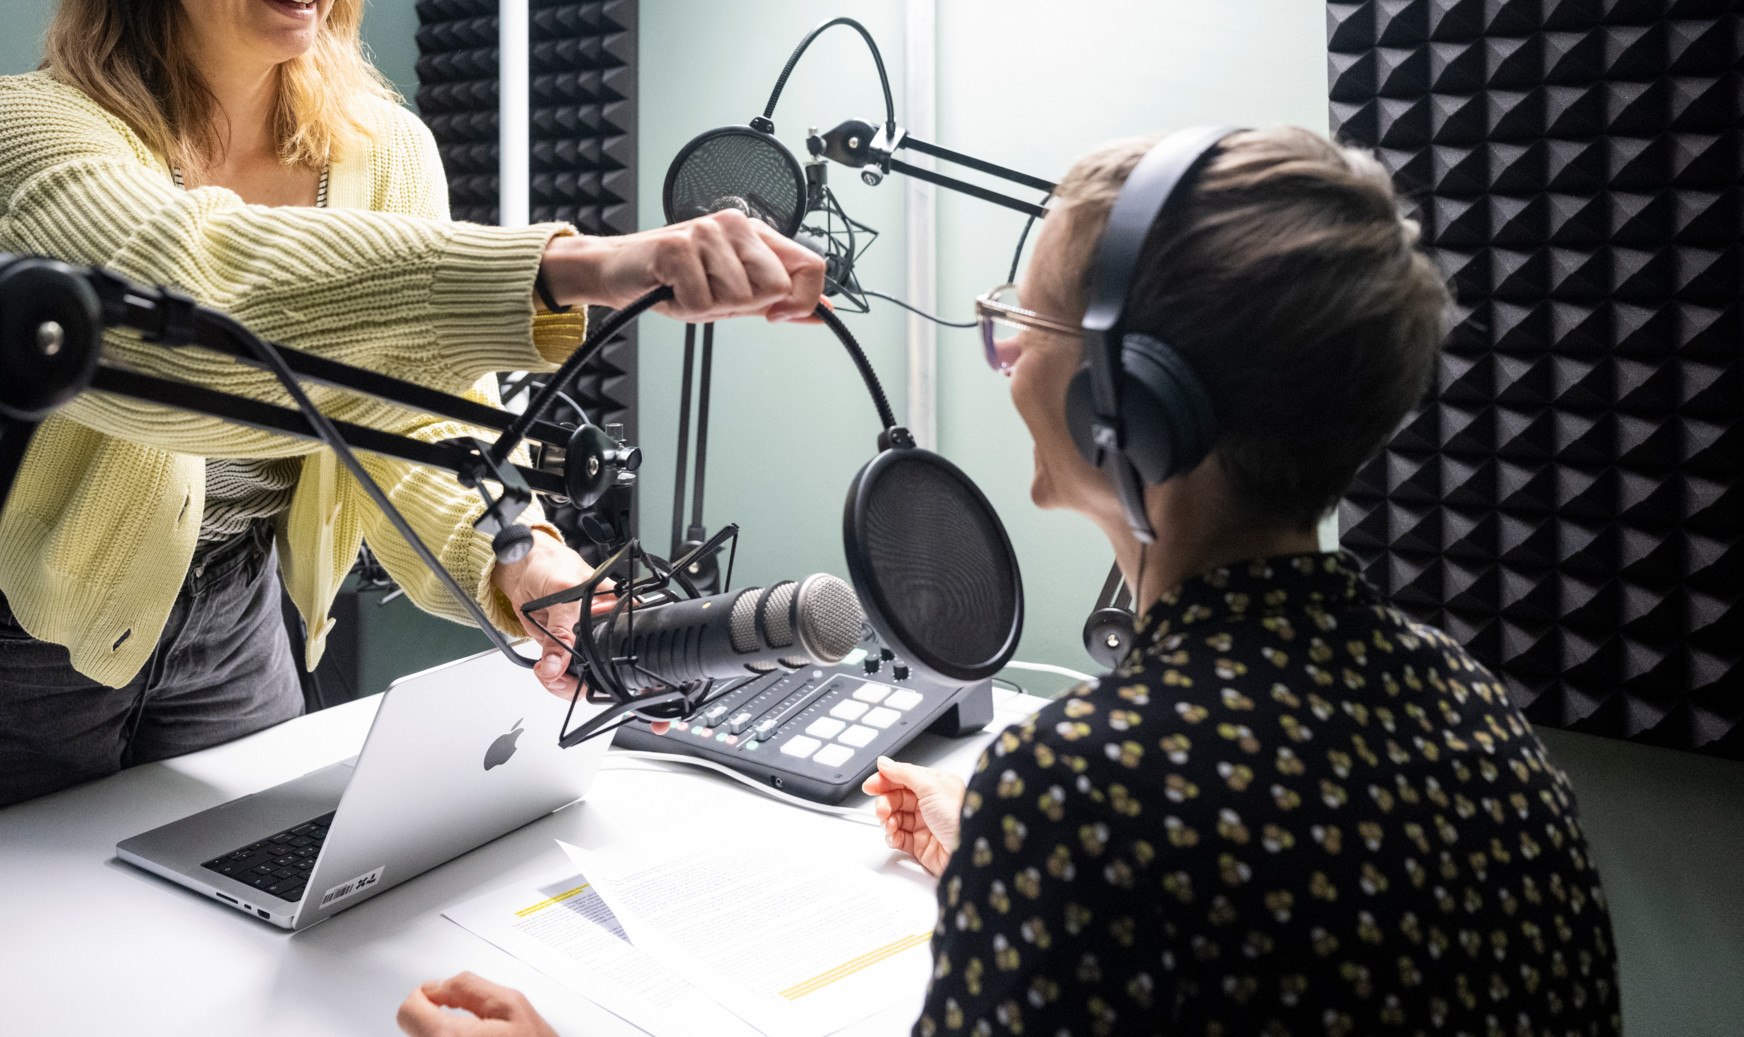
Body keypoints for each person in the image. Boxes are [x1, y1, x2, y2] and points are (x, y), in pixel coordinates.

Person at [396, 127, 1621, 1036]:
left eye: (1014, 324)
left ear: (1122, 404)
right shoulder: (1458, 696)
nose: (1001, 362)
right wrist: (1027, 868)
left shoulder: (1095, 782)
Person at [0, 0, 823, 837]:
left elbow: (393, 410)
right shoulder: (15, 129)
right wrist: (568, 264)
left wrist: (518, 553)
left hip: (236, 617)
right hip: (5, 629)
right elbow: (178, 318)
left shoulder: (385, 152)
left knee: (238, 930)